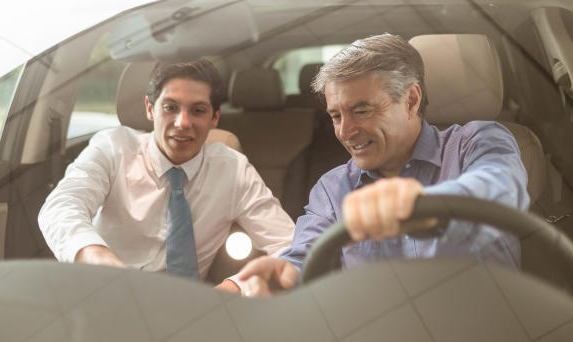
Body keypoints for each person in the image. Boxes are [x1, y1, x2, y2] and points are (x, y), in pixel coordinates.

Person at [227, 33, 529, 296]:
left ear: (411, 100)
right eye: (336, 116)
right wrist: (273, 279)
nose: (345, 132)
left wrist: (427, 207)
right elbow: (304, 257)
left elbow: (502, 189)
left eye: (361, 111)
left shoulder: (477, 142)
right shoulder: (333, 189)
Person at [38, 59, 294, 284]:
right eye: (170, 107)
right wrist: (97, 257)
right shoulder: (113, 148)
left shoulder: (233, 169)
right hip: (106, 295)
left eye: (198, 110)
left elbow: (291, 245)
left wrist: (237, 286)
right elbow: (61, 207)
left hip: (188, 312)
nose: (183, 123)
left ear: (215, 118)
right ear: (150, 109)